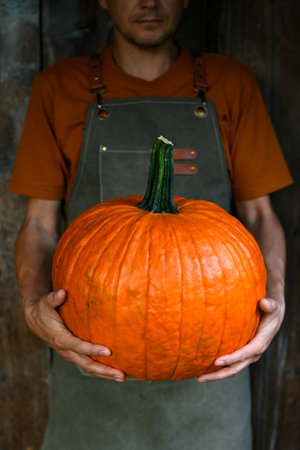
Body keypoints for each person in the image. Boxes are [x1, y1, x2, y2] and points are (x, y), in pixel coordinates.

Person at [9, 1, 293, 449]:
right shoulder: (58, 87)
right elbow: (40, 226)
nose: (148, 2)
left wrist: (273, 308)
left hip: (210, 378)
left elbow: (260, 216)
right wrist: (32, 307)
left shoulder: (229, 83)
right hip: (94, 369)